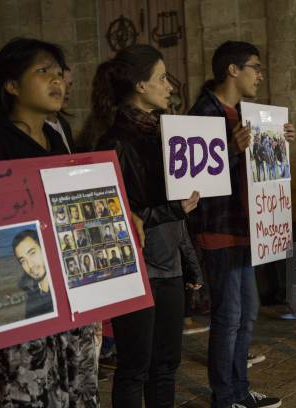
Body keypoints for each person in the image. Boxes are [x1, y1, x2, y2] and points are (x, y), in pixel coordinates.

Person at [0, 37, 98, 406]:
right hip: (15, 304)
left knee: (71, 389)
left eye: (59, 73)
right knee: (22, 391)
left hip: (64, 293)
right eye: (43, 71)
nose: (57, 81)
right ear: (12, 86)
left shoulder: (54, 137)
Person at [92, 44, 202, 408]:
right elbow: (120, 216)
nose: (170, 85)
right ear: (140, 86)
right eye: (161, 78)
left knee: (166, 365)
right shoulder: (114, 142)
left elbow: (179, 208)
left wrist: (189, 262)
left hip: (168, 264)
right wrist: (170, 211)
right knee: (134, 368)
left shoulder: (169, 136)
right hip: (135, 269)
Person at [188, 41, 295, 408]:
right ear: (232, 70)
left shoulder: (248, 113)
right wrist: (231, 150)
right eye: (255, 67)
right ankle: (224, 396)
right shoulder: (202, 114)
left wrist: (276, 145)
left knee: (248, 313)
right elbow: (195, 177)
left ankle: (239, 388)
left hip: (248, 225)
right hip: (220, 226)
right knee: (229, 316)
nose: (260, 75)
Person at [12, 230, 54, 318]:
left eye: (32, 253)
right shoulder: (31, 295)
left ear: (44, 248)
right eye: (23, 261)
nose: (30, 265)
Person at [45, 68, 75, 153]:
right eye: (63, 84)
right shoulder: (39, 129)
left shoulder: (64, 125)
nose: (67, 90)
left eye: (70, 84)